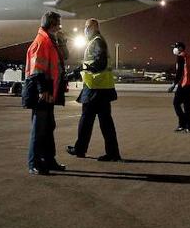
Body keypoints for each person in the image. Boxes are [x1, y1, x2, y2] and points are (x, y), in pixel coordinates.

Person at [66, 18, 121, 161]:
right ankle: (112, 153)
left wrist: (79, 70)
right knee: (105, 122)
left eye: (87, 27)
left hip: (95, 88)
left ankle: (80, 149)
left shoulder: (96, 41)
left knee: (87, 120)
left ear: (94, 27)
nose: (85, 30)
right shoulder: (98, 41)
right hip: (102, 87)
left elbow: (99, 63)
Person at [25, 11, 68, 176]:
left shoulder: (50, 41)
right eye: (58, 24)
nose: (60, 27)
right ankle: (34, 163)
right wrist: (43, 90)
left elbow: (63, 58)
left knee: (48, 127)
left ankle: (49, 160)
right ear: (52, 24)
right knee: (39, 129)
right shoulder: (42, 42)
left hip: (49, 92)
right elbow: (37, 69)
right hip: (42, 93)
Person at [169, 41, 190, 133]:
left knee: (176, 103)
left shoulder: (180, 57)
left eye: (176, 47)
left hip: (184, 84)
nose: (174, 49)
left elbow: (179, 72)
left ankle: (183, 123)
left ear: (180, 48)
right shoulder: (188, 56)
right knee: (187, 106)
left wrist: (173, 85)